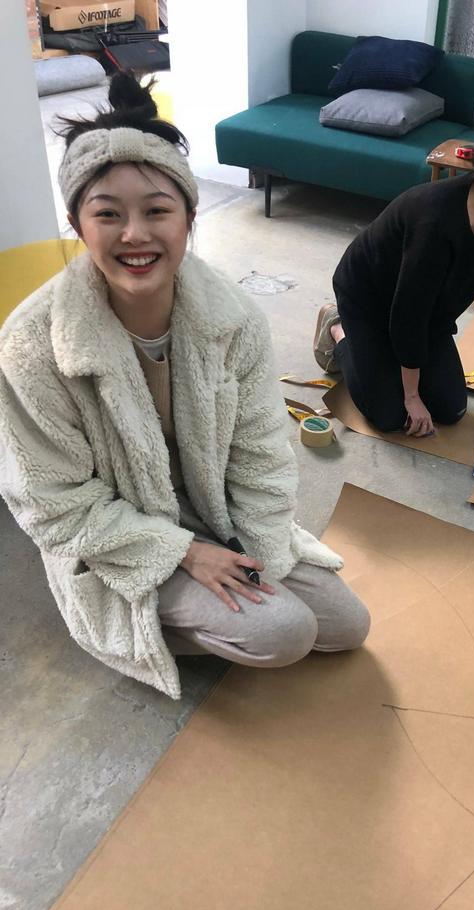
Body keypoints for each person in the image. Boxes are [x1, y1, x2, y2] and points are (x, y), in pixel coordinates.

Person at [0, 73, 369, 700]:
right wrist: (185, 554)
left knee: (343, 626)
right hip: (120, 539)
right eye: (107, 214)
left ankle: (232, 599)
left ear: (189, 218)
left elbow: (261, 453)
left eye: (157, 211)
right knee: (283, 633)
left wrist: (258, 549)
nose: (134, 235)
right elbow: (52, 505)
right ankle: (132, 627)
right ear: (77, 225)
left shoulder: (233, 320)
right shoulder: (34, 345)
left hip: (211, 510)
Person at [313, 77, 474, 437]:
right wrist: (411, 396)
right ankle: (339, 328)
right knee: (391, 416)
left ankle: (383, 360)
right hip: (370, 298)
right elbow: (408, 316)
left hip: (425, 309)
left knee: (451, 408)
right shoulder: (434, 223)